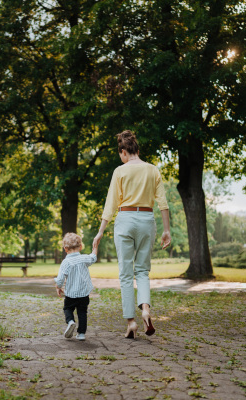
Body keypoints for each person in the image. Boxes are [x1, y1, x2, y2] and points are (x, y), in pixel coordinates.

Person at [93, 130, 171, 339]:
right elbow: (162, 202)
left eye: (120, 155)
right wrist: (166, 230)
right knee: (143, 271)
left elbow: (111, 203)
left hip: (125, 219)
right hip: (146, 220)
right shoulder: (153, 169)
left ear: (124, 152)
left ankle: (131, 323)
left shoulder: (120, 171)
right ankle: (145, 309)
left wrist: (100, 231)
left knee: (126, 274)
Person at [54, 232, 98, 341]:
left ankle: (70, 321)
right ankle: (81, 333)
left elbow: (60, 279)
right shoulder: (84, 258)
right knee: (82, 312)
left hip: (71, 294)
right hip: (84, 293)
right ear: (81, 247)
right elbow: (93, 257)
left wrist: (58, 287)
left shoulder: (66, 262)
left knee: (68, 308)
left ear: (65, 248)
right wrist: (95, 246)